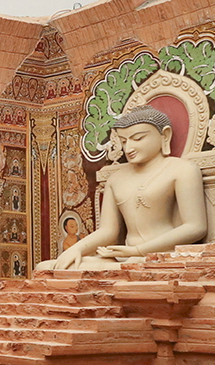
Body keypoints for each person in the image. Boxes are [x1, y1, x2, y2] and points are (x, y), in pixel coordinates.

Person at [38, 106, 206, 270]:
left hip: (164, 257)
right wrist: (76, 249)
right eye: (124, 141)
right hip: (124, 257)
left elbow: (195, 227)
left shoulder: (182, 170)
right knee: (46, 267)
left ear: (165, 135)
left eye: (138, 138)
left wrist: (139, 250)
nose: (128, 148)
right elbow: (108, 231)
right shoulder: (116, 179)